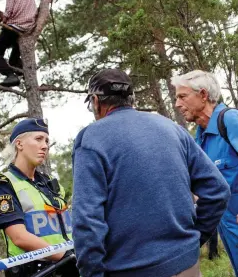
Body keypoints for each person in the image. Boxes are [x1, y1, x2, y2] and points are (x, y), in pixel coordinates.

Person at [72, 68, 230, 277]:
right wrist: (193, 240)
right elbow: (218, 190)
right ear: (131, 98)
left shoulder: (91, 139)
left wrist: (91, 273)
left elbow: (87, 220)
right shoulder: (171, 128)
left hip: (131, 269)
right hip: (187, 266)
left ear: (95, 101)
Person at [0, 118, 79, 277]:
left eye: (47, 141)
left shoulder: (51, 184)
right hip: (36, 271)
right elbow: (19, 237)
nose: (45, 146)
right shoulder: (4, 184)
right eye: (38, 139)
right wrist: (65, 256)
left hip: (70, 267)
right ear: (19, 144)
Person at [172, 70, 238, 276]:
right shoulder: (197, 140)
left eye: (182, 97)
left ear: (202, 95)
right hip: (227, 230)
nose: (176, 104)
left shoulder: (230, 120)